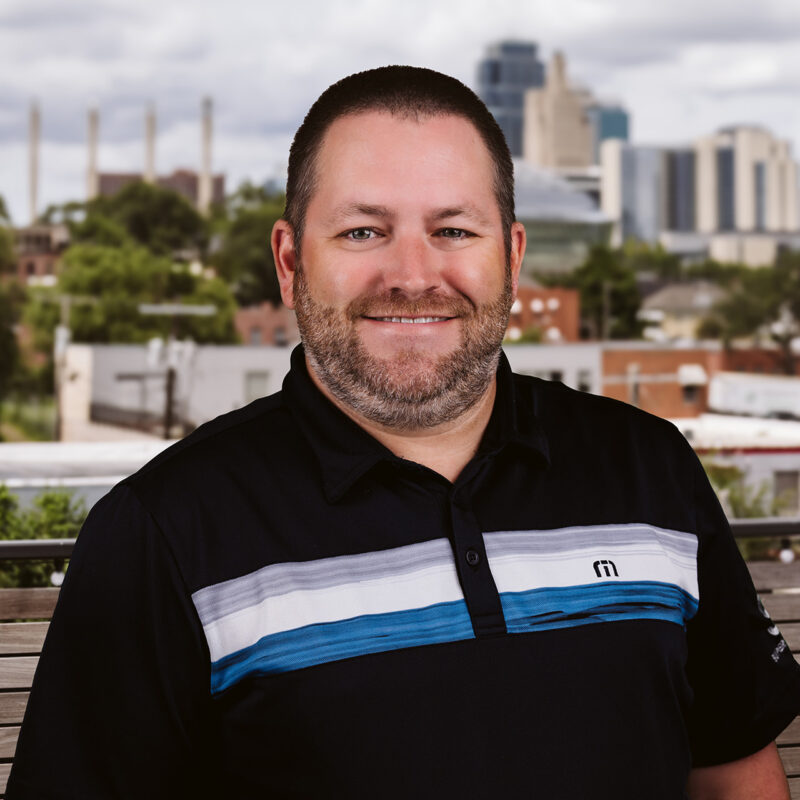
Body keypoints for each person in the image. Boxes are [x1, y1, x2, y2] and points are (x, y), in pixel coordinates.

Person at [8, 66, 800, 800]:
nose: (413, 274)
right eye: (362, 231)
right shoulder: (162, 533)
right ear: (289, 263)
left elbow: (736, 775)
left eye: (454, 230)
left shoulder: (650, 468)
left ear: (513, 258)